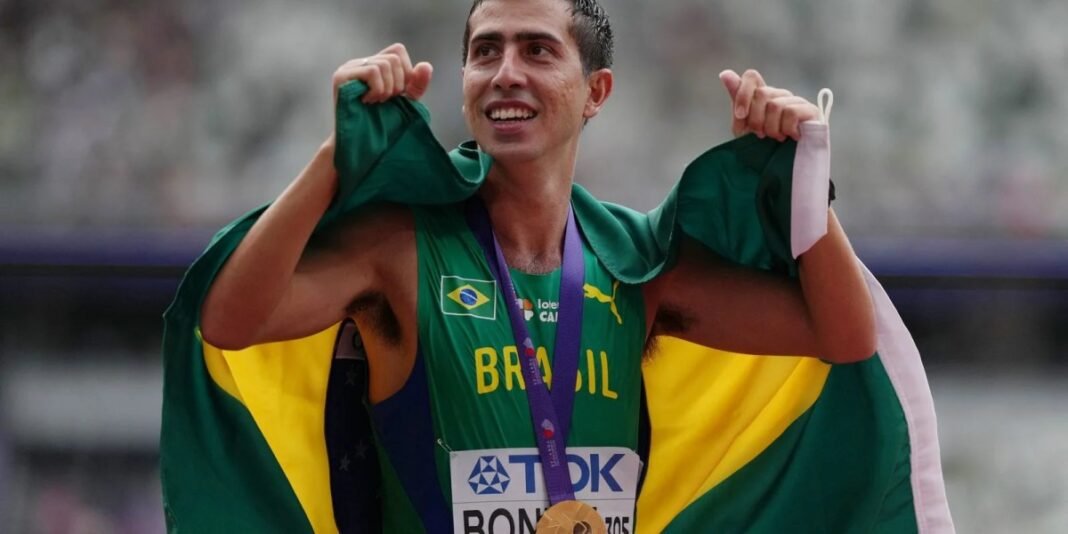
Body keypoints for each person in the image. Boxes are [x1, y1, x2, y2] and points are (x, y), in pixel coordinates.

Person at [199, 0, 875, 529]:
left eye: (537, 50)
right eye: (485, 51)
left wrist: (803, 181)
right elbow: (230, 322)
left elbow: (844, 334)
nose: (505, 73)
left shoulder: (636, 263)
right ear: (464, 83)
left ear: (596, 92)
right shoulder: (398, 248)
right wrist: (333, 159)